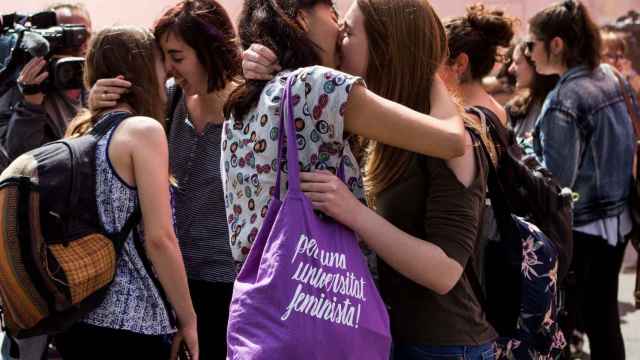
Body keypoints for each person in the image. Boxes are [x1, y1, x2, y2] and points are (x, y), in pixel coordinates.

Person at [224, 0, 466, 265]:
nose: (339, 29)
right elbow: (452, 141)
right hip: (323, 293)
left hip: (266, 291)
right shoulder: (318, 86)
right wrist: (428, 72)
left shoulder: (247, 101)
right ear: (303, 19)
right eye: (333, 13)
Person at [88, 1, 241, 357]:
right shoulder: (169, 101)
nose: (169, 69)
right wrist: (95, 104)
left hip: (228, 288)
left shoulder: (251, 109)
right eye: (164, 58)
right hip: (170, 285)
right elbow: (108, 151)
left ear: (210, 51)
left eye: (177, 56)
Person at [52, 26, 199, 360]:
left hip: (76, 323)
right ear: (143, 69)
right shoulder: (143, 131)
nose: (169, 73)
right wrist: (188, 319)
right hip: (132, 324)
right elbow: (159, 239)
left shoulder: (80, 133)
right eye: (163, 62)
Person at [528, 1, 638, 358]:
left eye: (533, 44)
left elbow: (556, 183)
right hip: (619, 222)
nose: (529, 53)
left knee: (576, 322)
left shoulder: (564, 100)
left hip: (585, 230)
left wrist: (524, 155)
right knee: (603, 320)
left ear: (556, 44)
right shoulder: (611, 76)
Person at [4, 3, 92, 160]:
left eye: (83, 34)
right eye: (67, 34)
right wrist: (31, 104)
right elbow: (19, 157)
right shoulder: (28, 85)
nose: (79, 42)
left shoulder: (96, 86)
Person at [505, 41, 558, 155]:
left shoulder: (558, 108)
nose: (510, 69)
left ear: (534, 63)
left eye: (517, 62)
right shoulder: (516, 108)